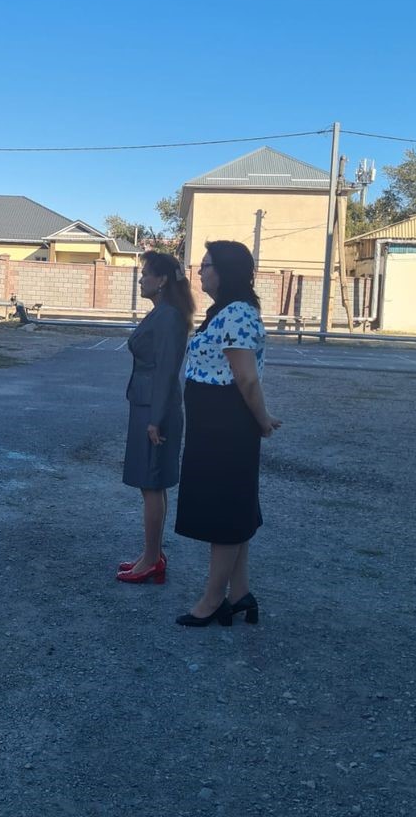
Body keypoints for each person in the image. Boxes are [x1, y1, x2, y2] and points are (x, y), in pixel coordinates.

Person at [174, 241, 281, 627]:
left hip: (226, 424)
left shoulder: (237, 313)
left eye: (205, 265)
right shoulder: (227, 310)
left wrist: (263, 420)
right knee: (232, 507)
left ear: (225, 271)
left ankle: (212, 600)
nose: (199, 272)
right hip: (214, 423)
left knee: (224, 510)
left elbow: (246, 378)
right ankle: (239, 594)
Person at [116, 252, 195, 584]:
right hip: (147, 405)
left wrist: (156, 419)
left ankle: (151, 560)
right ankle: (152, 554)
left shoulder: (168, 316)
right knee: (150, 483)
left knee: (151, 483)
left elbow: (166, 370)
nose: (141, 278)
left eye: (146, 273)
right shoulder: (162, 312)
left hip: (154, 409)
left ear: (162, 280)